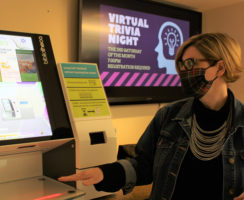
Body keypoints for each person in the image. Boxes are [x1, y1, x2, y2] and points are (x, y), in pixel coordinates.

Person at [59, 33, 244, 200]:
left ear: (220, 67)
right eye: (181, 65)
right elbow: (144, 165)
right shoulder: (169, 115)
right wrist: (105, 173)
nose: (183, 72)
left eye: (190, 63)